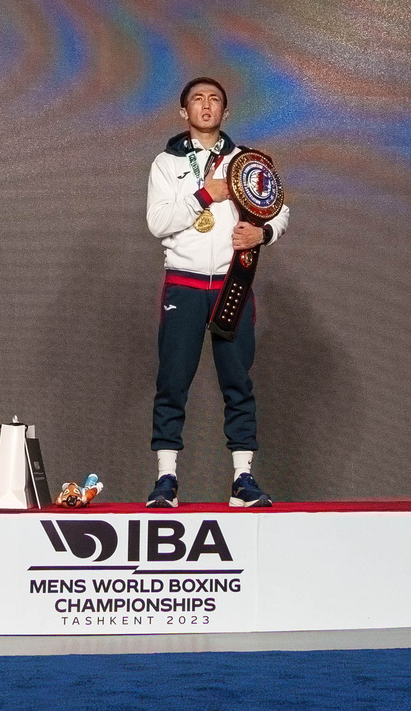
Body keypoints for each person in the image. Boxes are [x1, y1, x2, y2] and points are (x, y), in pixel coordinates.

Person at [144, 76, 289, 510]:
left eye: (214, 100)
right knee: (172, 382)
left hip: (232, 284)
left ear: (226, 113)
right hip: (184, 283)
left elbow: (280, 209)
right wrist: (207, 193)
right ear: (183, 112)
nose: (206, 106)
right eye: (197, 100)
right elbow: (158, 222)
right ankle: (166, 481)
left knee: (238, 382)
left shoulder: (246, 161)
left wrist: (262, 232)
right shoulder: (166, 164)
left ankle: (242, 481)